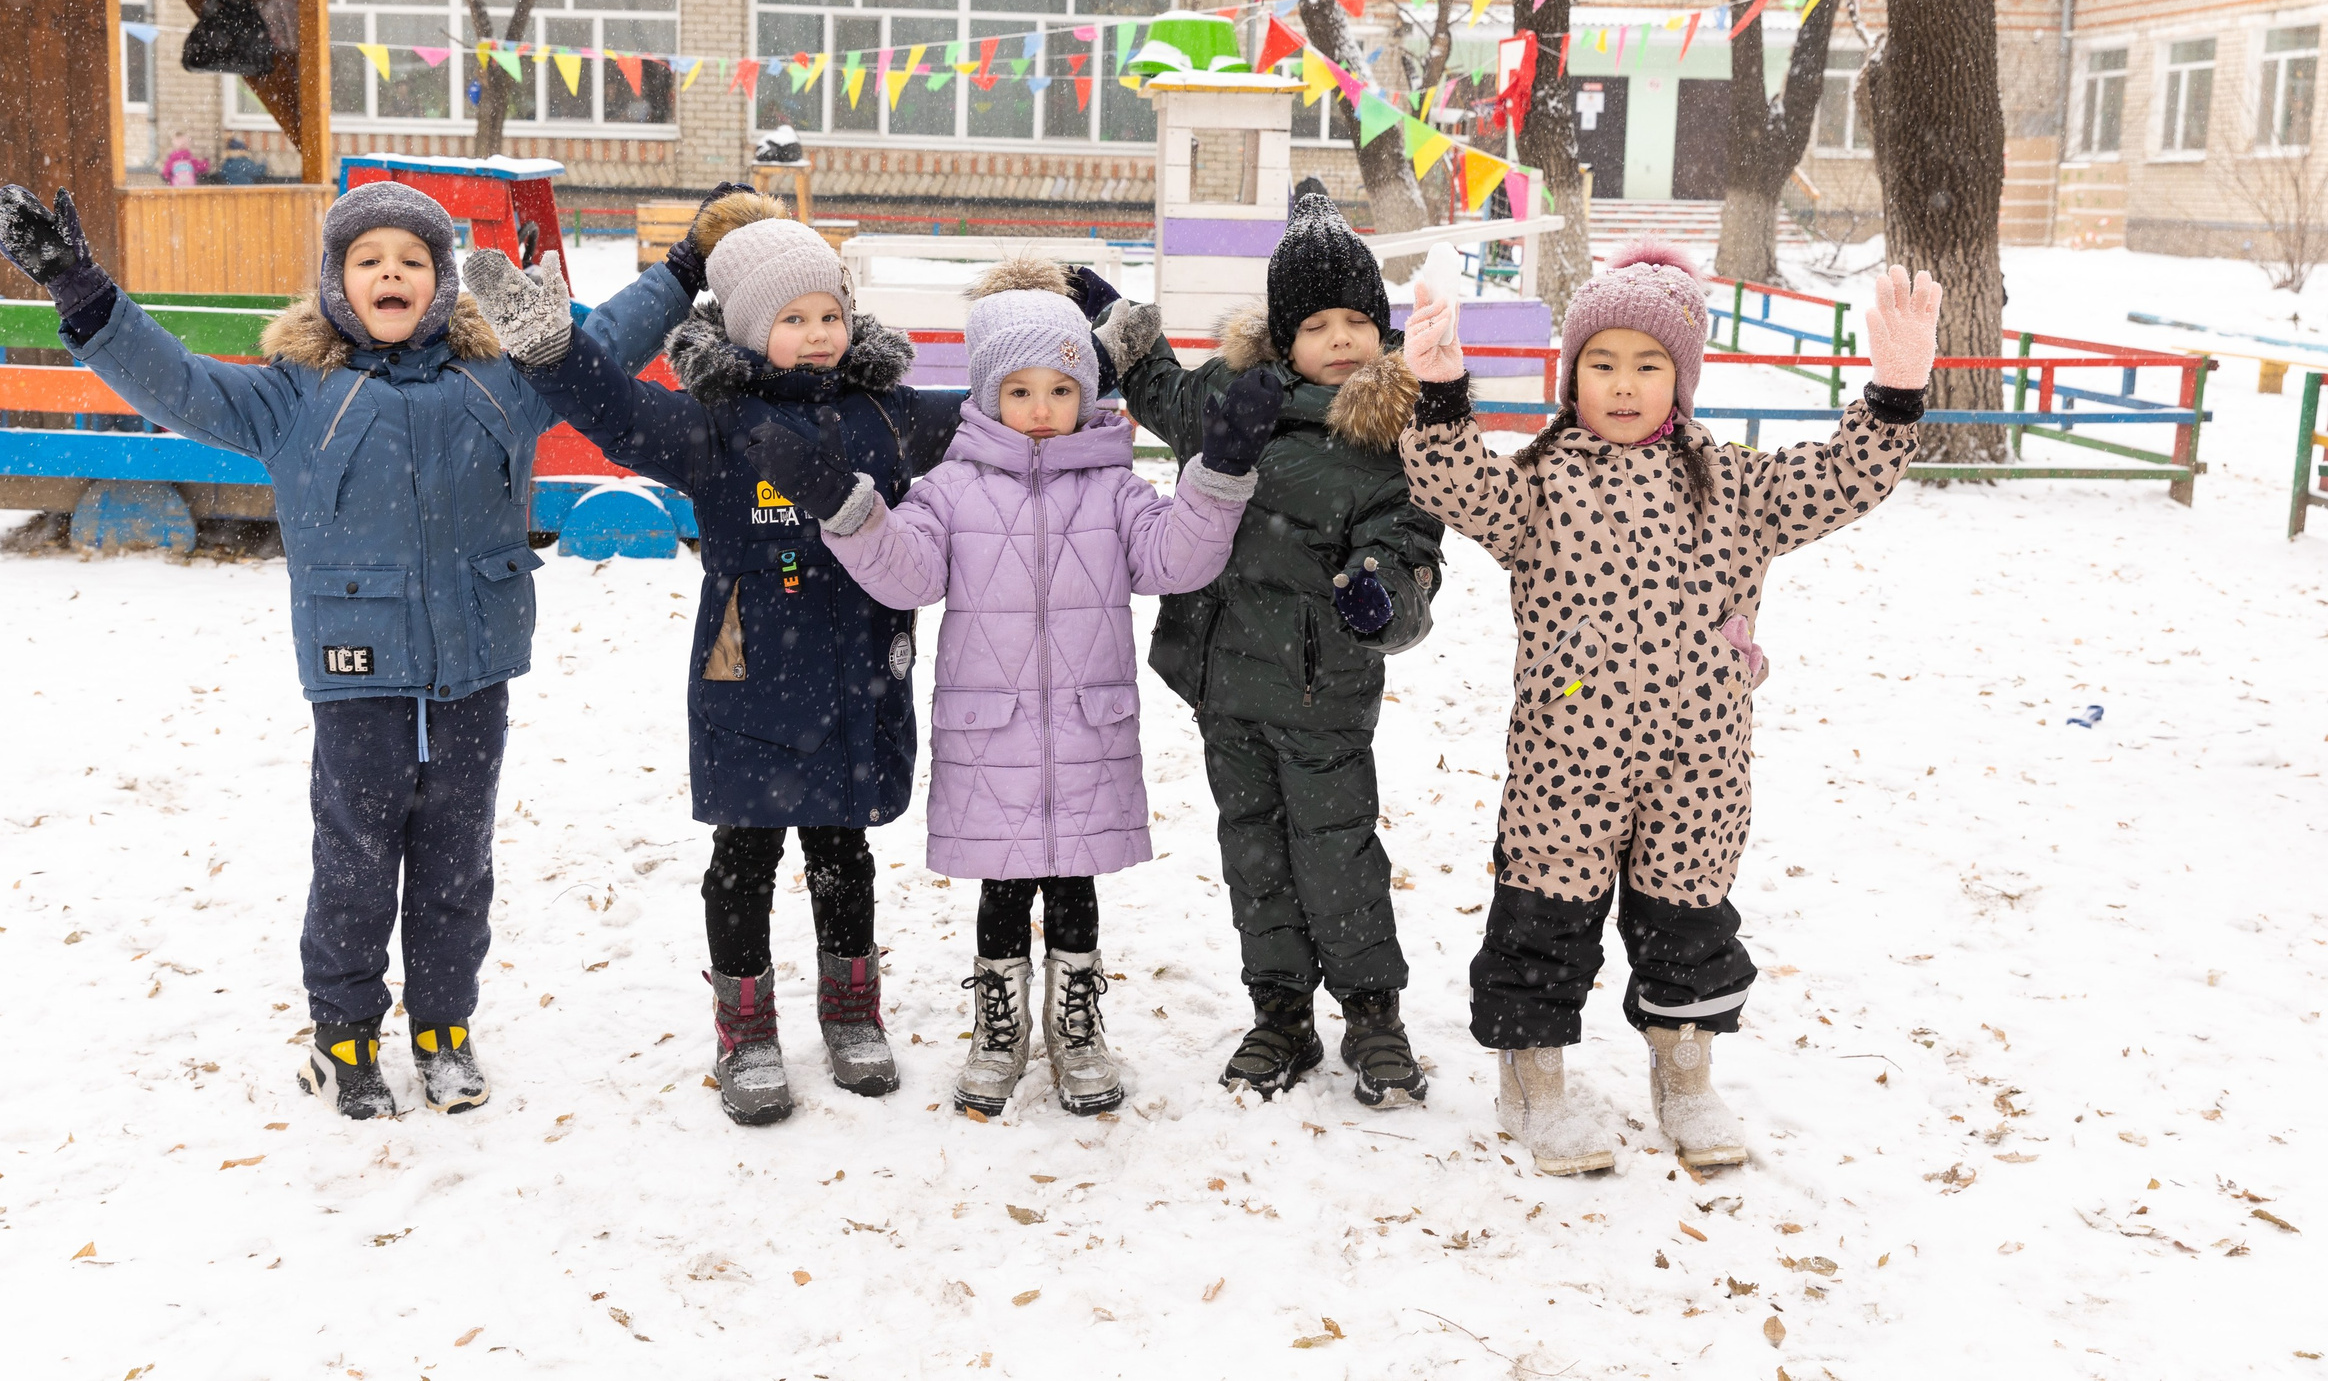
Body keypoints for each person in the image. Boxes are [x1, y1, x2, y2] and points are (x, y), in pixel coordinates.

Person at [0, 179, 700, 1121]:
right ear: (336, 281)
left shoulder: (506, 378)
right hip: (357, 671)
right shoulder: (293, 397)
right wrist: (82, 290)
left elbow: (602, 341)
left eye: (412, 258)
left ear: (441, 281)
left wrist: (687, 267)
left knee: (457, 856)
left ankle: (444, 1028)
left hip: (474, 666)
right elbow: (176, 381)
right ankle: (345, 1036)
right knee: (357, 856)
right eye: (369, 260)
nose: (391, 272)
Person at [1394, 239, 1943, 1174]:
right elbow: (1451, 483)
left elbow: (1845, 478)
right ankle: (1535, 1083)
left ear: (1681, 380)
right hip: (1567, 762)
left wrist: (1892, 396)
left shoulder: (1737, 486)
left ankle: (1685, 1077)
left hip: (1699, 766)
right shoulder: (1539, 484)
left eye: (1648, 365)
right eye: (1600, 362)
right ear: (1571, 377)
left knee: (1686, 922)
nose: (1622, 383)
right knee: (1544, 921)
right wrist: (1442, 391)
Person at [462, 194, 970, 1126]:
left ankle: (853, 1011)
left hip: (856, 667)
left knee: (842, 853)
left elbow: (1003, 412)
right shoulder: (713, 424)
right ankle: (747, 1029)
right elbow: (613, 412)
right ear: (746, 326)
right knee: (743, 858)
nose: (817, 334)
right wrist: (550, 346)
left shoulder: (887, 417)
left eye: (830, 314)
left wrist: (1092, 354)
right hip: (750, 677)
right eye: (793, 318)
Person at [765, 261, 1272, 1115]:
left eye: (1063, 389)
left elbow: (1176, 558)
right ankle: (998, 1025)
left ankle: (1076, 1026)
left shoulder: (1114, 487)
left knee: (1075, 890)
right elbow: (907, 573)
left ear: (1086, 395)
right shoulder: (952, 488)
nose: (1043, 409)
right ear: (987, 396)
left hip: (1086, 727)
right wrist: (844, 507)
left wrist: (1218, 473)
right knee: (1003, 894)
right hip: (991, 733)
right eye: (1022, 389)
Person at [1094, 190, 1446, 1109]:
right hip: (1224, 686)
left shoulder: (1394, 439)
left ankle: (1372, 1012)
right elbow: (1160, 391)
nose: (1340, 339)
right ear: (1282, 336)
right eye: (1317, 323)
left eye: (1358, 321)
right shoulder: (1230, 397)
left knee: (1336, 854)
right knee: (1254, 853)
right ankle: (1280, 1009)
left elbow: (1413, 555)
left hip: (1321, 693)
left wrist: (1383, 596)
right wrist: (1124, 330)